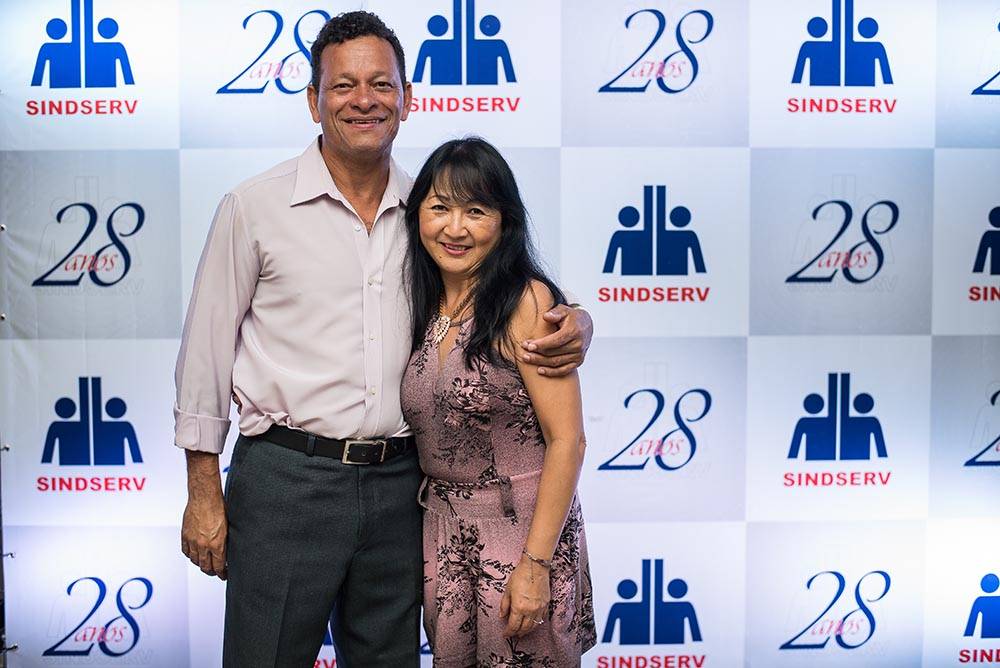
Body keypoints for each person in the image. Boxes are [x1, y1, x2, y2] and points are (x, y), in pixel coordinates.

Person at [174, 11, 593, 668]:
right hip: (287, 478)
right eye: (343, 85)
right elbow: (204, 352)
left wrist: (576, 319)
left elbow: (502, 292)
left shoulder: (429, 211)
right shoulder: (253, 207)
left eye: (381, 84)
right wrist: (203, 489)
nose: (363, 100)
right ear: (313, 100)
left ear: (407, 98)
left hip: (403, 487)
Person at [401, 137, 596, 666]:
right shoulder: (422, 301)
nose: (455, 228)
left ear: (504, 221)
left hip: (521, 535)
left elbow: (568, 441)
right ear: (417, 216)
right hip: (443, 535)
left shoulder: (526, 302)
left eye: (476, 211)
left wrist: (536, 565)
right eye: (440, 208)